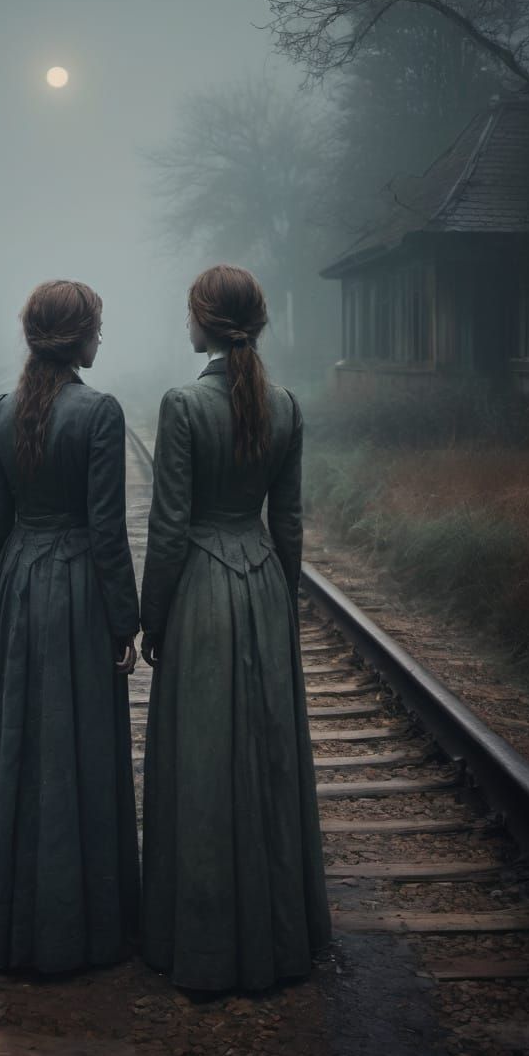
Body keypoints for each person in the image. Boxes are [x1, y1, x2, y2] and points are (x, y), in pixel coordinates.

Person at [140, 264, 331, 993]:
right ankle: (279, 934)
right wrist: (282, 600)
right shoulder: (284, 405)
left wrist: (151, 619)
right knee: (269, 760)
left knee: (201, 763)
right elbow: (287, 523)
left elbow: (168, 528)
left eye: (189, 312)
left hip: (201, 590)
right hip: (261, 587)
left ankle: (197, 935)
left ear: (204, 323)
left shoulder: (183, 404)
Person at [0, 279, 140, 973]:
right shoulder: (100, 413)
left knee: (18, 749)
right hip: (78, 590)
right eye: (96, 324)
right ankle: (81, 925)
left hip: (22, 585)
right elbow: (107, 532)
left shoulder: (1, 412)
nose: (102, 336)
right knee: (79, 746)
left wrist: (6, 604)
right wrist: (126, 621)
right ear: (77, 336)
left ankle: (1, 921)